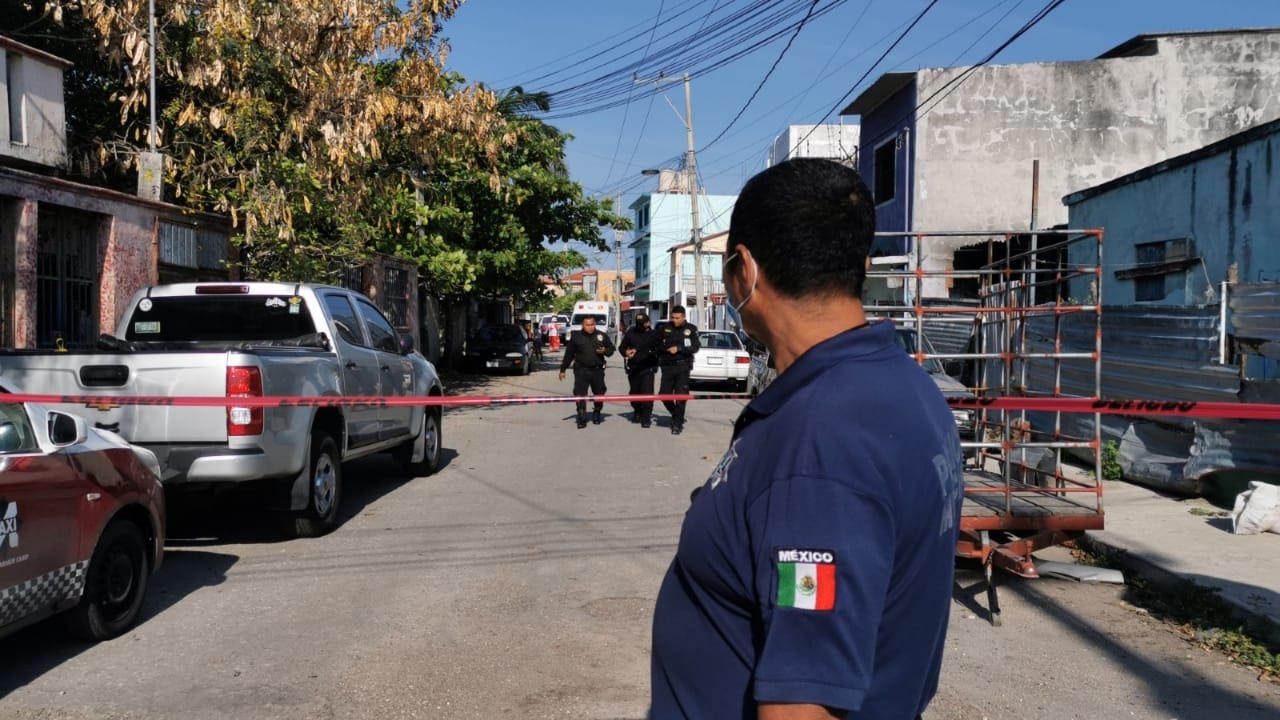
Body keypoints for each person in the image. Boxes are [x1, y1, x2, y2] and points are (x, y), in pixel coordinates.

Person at [650, 158, 965, 720]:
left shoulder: (820, 440)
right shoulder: (903, 386)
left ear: (743, 270)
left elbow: (806, 705)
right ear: (860, 264)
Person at [558, 316, 616, 428]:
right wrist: (563, 369)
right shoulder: (576, 337)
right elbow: (569, 354)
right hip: (581, 370)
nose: (590, 327)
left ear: (595, 324)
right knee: (580, 394)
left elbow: (611, 350)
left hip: (597, 370)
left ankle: (597, 412)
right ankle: (581, 416)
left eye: (592, 324)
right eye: (587, 325)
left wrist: (605, 351)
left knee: (599, 392)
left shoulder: (601, 336)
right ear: (582, 325)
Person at [656, 306, 700, 435]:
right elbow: (656, 345)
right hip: (667, 366)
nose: (674, 320)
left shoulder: (691, 329)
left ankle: (677, 424)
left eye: (677, 318)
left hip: (683, 367)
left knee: (681, 396)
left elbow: (696, 347)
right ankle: (677, 415)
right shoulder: (665, 328)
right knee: (664, 395)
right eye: (672, 317)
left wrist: (679, 349)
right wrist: (664, 347)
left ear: (684, 317)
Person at [618, 312, 660, 428]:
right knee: (634, 393)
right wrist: (626, 353)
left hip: (648, 367)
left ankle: (646, 417)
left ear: (648, 323)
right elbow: (621, 348)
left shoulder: (653, 335)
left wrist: (649, 353)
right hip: (634, 368)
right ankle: (637, 411)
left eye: (642, 323)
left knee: (647, 393)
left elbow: (659, 350)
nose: (640, 325)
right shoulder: (631, 333)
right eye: (638, 323)